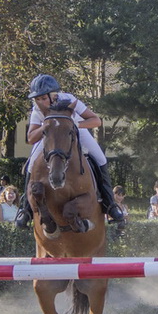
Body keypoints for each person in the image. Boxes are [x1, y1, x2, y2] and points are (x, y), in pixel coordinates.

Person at [17, 74, 125, 228]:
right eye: (37, 99)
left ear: (53, 95)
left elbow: (96, 120)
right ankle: (25, 209)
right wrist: (47, 126)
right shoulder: (36, 109)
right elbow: (31, 138)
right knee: (31, 163)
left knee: (101, 158)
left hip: (74, 130)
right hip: (50, 135)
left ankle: (110, 205)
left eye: (43, 98)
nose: (40, 102)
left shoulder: (69, 100)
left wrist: (74, 124)